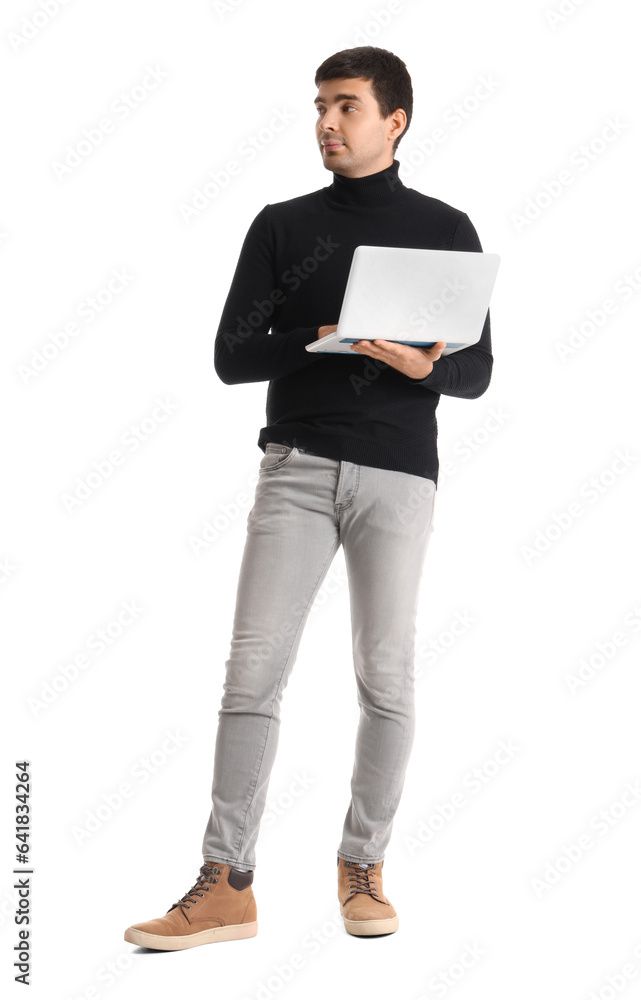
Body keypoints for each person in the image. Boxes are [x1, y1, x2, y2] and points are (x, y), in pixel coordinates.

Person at [124, 44, 493, 951]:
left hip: (399, 472)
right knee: (252, 673)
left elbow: (477, 372)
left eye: (346, 107)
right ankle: (227, 882)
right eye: (320, 106)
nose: (327, 123)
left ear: (393, 121)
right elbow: (230, 359)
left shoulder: (446, 228)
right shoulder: (282, 225)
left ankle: (361, 867)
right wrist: (322, 334)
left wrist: (419, 363)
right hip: (294, 469)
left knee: (387, 678)